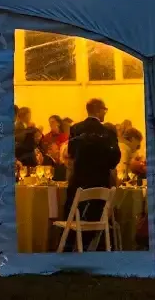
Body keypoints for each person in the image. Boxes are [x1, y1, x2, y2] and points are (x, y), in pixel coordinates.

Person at [61, 97, 121, 230]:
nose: (105, 113)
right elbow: (115, 157)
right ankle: (96, 244)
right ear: (99, 111)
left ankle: (71, 244)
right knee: (97, 218)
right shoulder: (108, 132)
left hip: (78, 181)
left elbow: (70, 152)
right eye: (104, 110)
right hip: (101, 181)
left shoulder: (76, 128)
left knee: (73, 215)